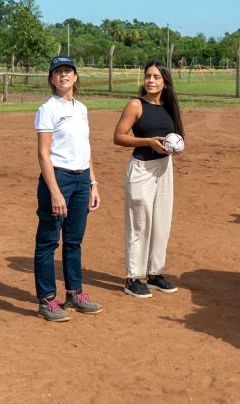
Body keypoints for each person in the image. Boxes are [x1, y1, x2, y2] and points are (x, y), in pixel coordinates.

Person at [33, 56, 103, 322]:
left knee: (74, 240)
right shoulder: (47, 109)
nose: (63, 75)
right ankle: (47, 300)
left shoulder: (82, 108)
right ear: (51, 79)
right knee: (49, 241)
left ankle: (74, 293)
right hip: (58, 178)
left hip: (82, 179)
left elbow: (85, 150)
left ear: (75, 77)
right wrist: (55, 191)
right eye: (58, 72)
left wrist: (93, 183)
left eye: (68, 71)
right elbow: (43, 154)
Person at [113, 60, 186, 298]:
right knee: (140, 223)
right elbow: (119, 137)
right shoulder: (136, 105)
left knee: (161, 222)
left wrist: (173, 148)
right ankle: (133, 277)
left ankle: (155, 274)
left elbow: (175, 136)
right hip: (141, 169)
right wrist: (149, 141)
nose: (151, 81)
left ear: (165, 82)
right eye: (148, 76)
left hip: (164, 168)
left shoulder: (169, 106)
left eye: (156, 77)